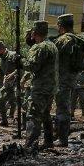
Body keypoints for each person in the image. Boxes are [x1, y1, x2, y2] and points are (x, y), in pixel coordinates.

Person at [53, 14, 84, 146]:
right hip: (73, 78)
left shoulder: (63, 40)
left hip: (61, 79)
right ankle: (58, 136)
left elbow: (52, 59)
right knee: (65, 106)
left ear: (60, 25)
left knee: (62, 108)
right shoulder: (80, 39)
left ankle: (62, 139)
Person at [23, 21, 59, 150]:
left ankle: (30, 145)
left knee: (33, 115)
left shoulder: (39, 47)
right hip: (51, 87)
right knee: (45, 115)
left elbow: (33, 67)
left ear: (34, 33)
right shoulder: (52, 45)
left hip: (40, 87)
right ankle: (49, 141)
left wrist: (20, 61)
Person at [0, 41, 20, 126]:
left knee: (19, 102)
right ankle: (4, 120)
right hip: (7, 84)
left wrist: (13, 74)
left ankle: (21, 123)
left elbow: (21, 68)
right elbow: (0, 74)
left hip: (17, 83)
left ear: (1, 49)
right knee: (0, 99)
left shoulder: (13, 55)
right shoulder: (0, 60)